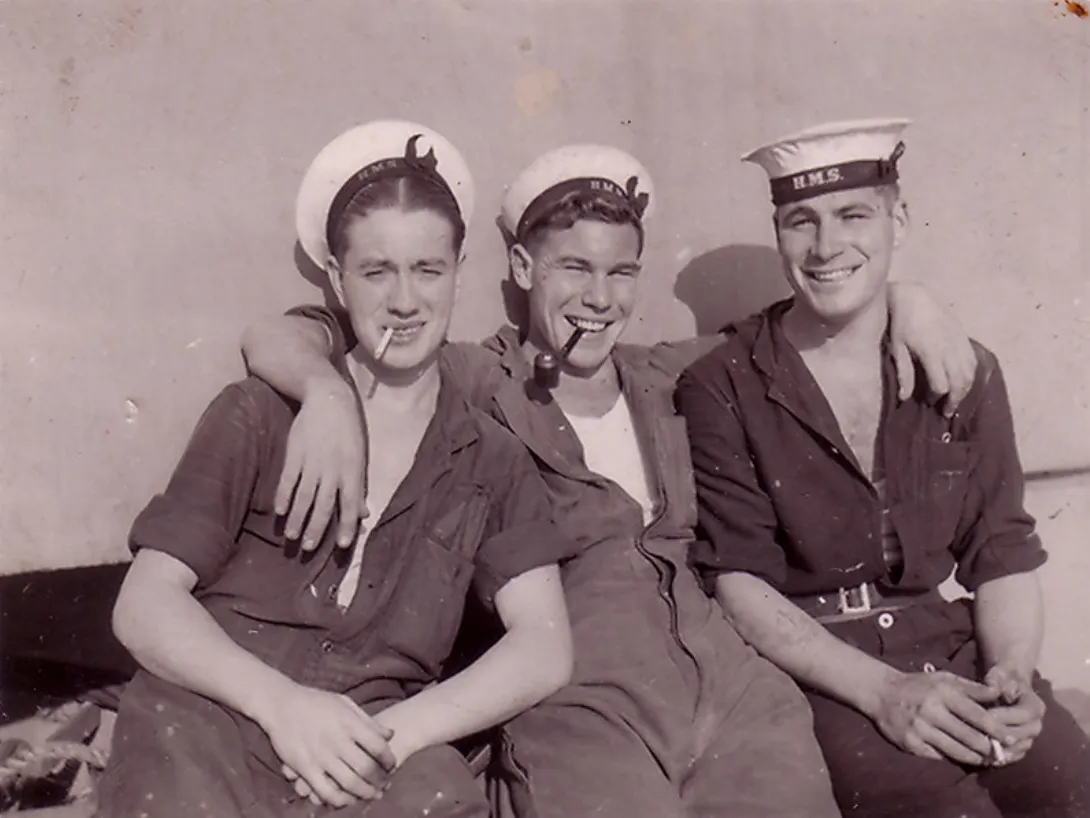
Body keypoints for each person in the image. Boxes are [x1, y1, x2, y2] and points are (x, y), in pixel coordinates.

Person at [240, 141, 979, 818]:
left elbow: (811, 317)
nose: (600, 298)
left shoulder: (671, 375)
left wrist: (911, 300)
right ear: (525, 270)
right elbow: (285, 333)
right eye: (575, 268)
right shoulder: (469, 376)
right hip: (581, 698)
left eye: (621, 272)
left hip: (736, 687)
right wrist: (327, 393)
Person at [95, 121, 576, 818]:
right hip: (216, 714)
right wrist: (284, 707)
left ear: (459, 271)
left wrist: (398, 732)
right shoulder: (260, 414)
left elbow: (545, 645)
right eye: (376, 271)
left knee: (440, 796)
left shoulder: (491, 458)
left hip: (372, 741)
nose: (405, 301)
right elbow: (143, 605)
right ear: (335, 277)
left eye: (428, 270)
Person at [675, 118, 1090, 817]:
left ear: (899, 218)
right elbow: (739, 583)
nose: (827, 246)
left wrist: (1012, 672)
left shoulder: (960, 366)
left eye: (853, 215)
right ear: (778, 232)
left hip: (952, 651)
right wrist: (885, 694)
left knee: (1069, 785)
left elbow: (1003, 553)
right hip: (823, 674)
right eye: (800, 221)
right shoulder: (725, 382)